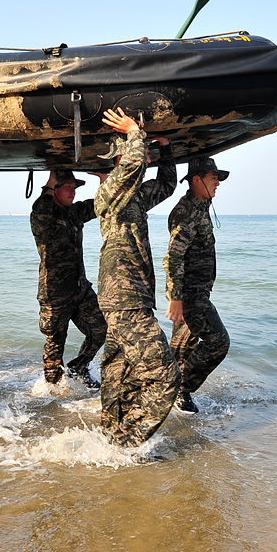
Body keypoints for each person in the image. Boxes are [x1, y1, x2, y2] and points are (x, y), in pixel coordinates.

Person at [94, 107, 178, 447]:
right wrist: (134, 133)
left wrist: (167, 149)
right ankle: (128, 445)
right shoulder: (108, 194)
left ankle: (107, 440)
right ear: (116, 163)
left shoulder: (136, 199)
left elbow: (167, 185)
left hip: (130, 298)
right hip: (124, 298)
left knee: (119, 374)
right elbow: (132, 166)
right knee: (164, 377)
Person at [164, 157, 231, 414]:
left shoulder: (202, 205)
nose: (218, 184)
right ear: (196, 180)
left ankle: (171, 394)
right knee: (218, 342)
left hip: (197, 290)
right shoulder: (186, 212)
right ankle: (179, 388)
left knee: (181, 348)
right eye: (213, 177)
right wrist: (176, 297)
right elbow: (174, 255)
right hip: (190, 293)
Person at [30, 169, 106, 388]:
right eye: (68, 187)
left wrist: (103, 180)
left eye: (74, 188)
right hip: (54, 292)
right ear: (55, 189)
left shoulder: (74, 212)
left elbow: (101, 205)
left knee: (100, 327)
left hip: (80, 289)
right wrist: (49, 184)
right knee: (55, 343)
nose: (72, 192)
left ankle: (79, 367)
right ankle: (52, 393)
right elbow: (42, 216)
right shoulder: (42, 212)